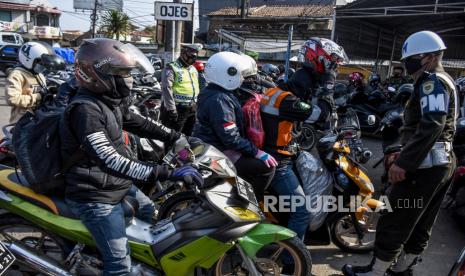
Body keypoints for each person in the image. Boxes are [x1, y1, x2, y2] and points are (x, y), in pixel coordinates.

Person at [61, 38, 203, 275]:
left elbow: (140, 123)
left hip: (113, 184)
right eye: (122, 73)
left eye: (129, 72)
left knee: (149, 213)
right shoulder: (85, 109)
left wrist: (176, 137)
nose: (129, 78)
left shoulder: (110, 101)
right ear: (96, 74)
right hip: (94, 195)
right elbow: (110, 160)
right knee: (119, 265)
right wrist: (167, 172)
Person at [343, 31, 457, 276]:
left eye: (409, 59)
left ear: (426, 57)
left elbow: (432, 124)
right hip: (440, 163)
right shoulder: (443, 80)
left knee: (395, 217)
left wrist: (403, 163)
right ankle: (402, 269)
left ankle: (376, 272)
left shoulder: (432, 81)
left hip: (425, 166)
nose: (406, 65)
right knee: (421, 223)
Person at [263, 38, 347, 241]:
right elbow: (322, 115)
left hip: (285, 154)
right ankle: (292, 260)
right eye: (332, 63)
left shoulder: (291, 90)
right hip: (278, 162)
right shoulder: (288, 100)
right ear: (319, 60)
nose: (334, 69)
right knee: (303, 211)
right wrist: (328, 87)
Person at [193, 51, 277, 200]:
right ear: (227, 74)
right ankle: (248, 205)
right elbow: (230, 138)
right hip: (219, 151)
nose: (242, 78)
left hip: (212, 146)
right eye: (239, 74)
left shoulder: (213, 91)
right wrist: (257, 152)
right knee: (267, 168)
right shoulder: (219, 100)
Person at [6, 41, 62, 123]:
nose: (43, 66)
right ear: (29, 58)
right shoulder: (17, 75)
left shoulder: (39, 75)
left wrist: (49, 92)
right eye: (40, 62)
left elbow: (40, 92)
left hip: (38, 118)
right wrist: (38, 96)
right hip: (22, 121)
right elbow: (12, 99)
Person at [287, 38, 348, 103]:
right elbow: (317, 109)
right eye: (333, 59)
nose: (335, 64)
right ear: (320, 57)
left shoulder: (315, 76)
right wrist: (328, 84)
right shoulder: (302, 77)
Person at [160, 43, 203, 136]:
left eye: (195, 57)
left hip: (192, 108)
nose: (193, 59)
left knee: (188, 136)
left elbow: (196, 87)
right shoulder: (171, 68)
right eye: (191, 56)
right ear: (183, 53)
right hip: (177, 109)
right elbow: (166, 89)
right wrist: (171, 109)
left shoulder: (193, 69)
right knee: (173, 137)